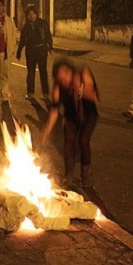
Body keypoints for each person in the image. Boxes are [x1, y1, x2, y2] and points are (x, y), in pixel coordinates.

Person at [43, 58, 99, 190]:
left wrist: (81, 87)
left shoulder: (81, 75)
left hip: (88, 115)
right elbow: (54, 111)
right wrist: (47, 129)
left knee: (83, 142)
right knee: (68, 144)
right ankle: (69, 177)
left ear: (70, 70)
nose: (63, 77)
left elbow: (93, 96)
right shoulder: (58, 87)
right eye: (59, 74)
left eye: (65, 72)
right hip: (71, 117)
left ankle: (85, 176)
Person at [16, 4, 53, 101]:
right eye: (29, 14)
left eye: (33, 14)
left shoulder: (43, 23)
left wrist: (50, 46)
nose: (31, 16)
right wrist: (19, 51)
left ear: (36, 14)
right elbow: (23, 40)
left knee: (43, 72)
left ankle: (45, 94)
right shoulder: (26, 27)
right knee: (31, 72)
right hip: (30, 51)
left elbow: (48, 35)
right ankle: (30, 93)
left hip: (41, 51)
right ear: (27, 16)